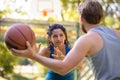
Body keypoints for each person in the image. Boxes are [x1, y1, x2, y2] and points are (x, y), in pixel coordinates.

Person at [11, 0, 120, 80]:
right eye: (55, 36)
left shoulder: (86, 40)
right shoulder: (117, 33)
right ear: (101, 17)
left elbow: (63, 68)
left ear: (81, 18)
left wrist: (32, 55)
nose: (58, 38)